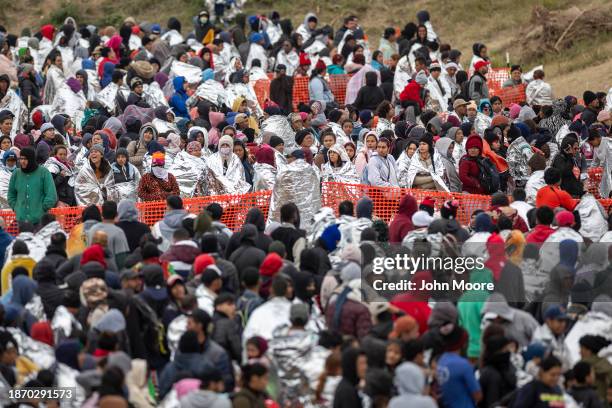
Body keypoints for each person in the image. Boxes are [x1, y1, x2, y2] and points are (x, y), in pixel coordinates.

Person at [8, 147, 57, 224]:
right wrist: (16, 207)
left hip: (39, 220)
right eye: (21, 159)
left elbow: (51, 194)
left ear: (31, 159)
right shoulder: (16, 173)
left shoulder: (43, 172)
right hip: (21, 220)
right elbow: (11, 194)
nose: (23, 161)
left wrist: (43, 208)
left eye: (25, 159)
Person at [436, 326, 482, 408]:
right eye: (467, 342)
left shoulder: (441, 361)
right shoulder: (463, 365)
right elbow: (478, 395)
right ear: (463, 344)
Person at [87, 201, 130, 269]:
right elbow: (121, 259)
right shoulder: (118, 232)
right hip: (111, 271)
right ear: (116, 214)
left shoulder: (92, 229)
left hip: (92, 269)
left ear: (102, 213)